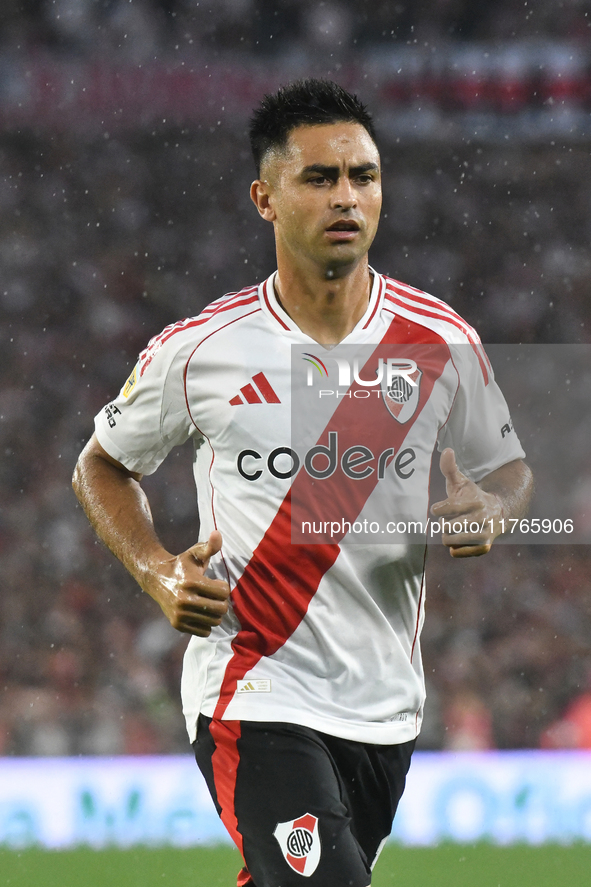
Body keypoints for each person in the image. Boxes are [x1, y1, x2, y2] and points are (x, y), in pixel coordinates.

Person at [73, 79, 533, 887]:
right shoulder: (200, 350)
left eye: (364, 175)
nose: (346, 196)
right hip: (252, 685)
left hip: (385, 702)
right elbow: (101, 463)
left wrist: (494, 506)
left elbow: (510, 467)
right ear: (265, 197)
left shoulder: (439, 340)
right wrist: (153, 566)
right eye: (319, 178)